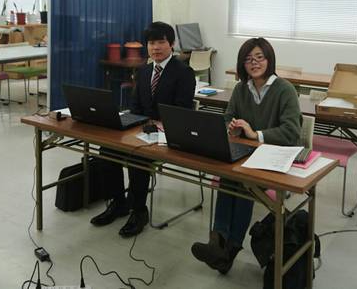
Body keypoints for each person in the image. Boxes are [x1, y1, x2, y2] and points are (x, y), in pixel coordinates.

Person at [191, 37, 301, 274]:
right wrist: (232, 128)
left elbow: (292, 132)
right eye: (248, 59)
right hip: (247, 155)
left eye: (259, 57)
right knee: (229, 174)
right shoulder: (241, 88)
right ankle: (219, 243)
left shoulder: (285, 89)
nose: (254, 63)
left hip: (275, 157)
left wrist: (255, 134)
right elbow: (227, 117)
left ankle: (228, 249)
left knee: (242, 180)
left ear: (269, 60)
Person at [90, 21, 196, 237]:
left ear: (171, 44)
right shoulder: (145, 70)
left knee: (137, 156)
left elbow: (182, 110)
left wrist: (157, 124)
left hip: (168, 134)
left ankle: (139, 211)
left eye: (161, 42)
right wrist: (132, 123)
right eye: (151, 43)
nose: (155, 47)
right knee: (107, 150)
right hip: (143, 129)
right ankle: (118, 202)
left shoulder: (184, 72)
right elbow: (135, 105)